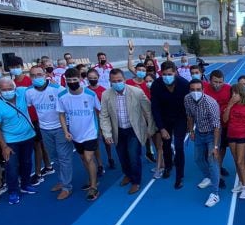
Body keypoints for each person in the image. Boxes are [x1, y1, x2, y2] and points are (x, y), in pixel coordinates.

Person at [98, 69, 153, 195]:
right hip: (118, 131)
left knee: (133, 156)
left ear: (124, 79)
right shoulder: (106, 95)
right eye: (114, 81)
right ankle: (127, 174)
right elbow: (104, 115)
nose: (117, 83)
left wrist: (150, 128)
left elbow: (148, 110)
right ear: (110, 82)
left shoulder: (137, 92)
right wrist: (107, 133)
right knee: (122, 157)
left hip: (134, 130)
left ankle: (136, 181)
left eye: (119, 80)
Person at [0, 77, 39, 206]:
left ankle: (25, 184)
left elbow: (37, 87)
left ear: (15, 87)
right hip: (10, 141)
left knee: (27, 162)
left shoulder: (23, 92)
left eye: (10, 89)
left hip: (28, 136)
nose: (7, 92)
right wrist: (4, 146)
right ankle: (13, 191)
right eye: (4, 90)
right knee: (11, 166)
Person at [26, 66, 73, 200]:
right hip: (44, 129)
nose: (37, 78)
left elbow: (67, 105)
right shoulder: (29, 92)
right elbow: (29, 106)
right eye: (33, 75)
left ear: (45, 74)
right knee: (54, 157)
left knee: (64, 157)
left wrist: (67, 128)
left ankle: (66, 187)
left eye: (39, 74)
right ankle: (61, 180)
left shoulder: (57, 89)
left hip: (60, 128)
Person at [57, 69, 102, 201]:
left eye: (74, 80)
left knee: (89, 158)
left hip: (90, 132)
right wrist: (66, 131)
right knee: (83, 159)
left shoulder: (90, 94)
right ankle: (91, 178)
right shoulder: (62, 96)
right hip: (75, 134)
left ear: (80, 80)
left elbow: (98, 111)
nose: (72, 82)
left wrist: (100, 129)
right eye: (69, 80)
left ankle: (94, 186)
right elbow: (61, 114)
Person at [151, 61, 190, 189]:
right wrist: (161, 128)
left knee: (179, 147)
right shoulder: (156, 85)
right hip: (164, 119)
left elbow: (189, 106)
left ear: (175, 72)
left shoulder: (184, 85)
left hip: (180, 118)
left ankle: (180, 176)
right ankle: (168, 166)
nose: (167, 76)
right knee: (166, 145)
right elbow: (155, 108)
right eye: (164, 74)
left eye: (170, 74)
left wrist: (190, 124)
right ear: (161, 74)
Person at [185, 79, 222, 207]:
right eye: (193, 90)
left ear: (203, 90)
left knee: (212, 161)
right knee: (198, 159)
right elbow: (189, 116)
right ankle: (210, 178)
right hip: (199, 133)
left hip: (212, 134)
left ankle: (215, 194)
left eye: (198, 89)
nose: (195, 92)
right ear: (189, 91)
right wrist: (191, 131)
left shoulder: (210, 103)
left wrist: (216, 147)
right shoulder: (187, 99)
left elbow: (217, 126)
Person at [223, 84, 245, 198]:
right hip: (231, 136)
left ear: (241, 94)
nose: (233, 95)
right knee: (236, 160)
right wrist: (230, 104)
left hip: (243, 136)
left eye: (236, 93)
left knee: (240, 162)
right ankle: (241, 183)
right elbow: (225, 119)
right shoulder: (230, 106)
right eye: (232, 93)